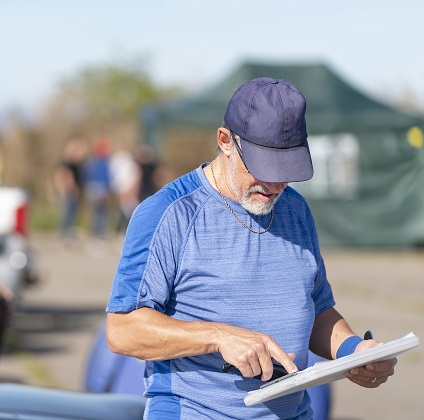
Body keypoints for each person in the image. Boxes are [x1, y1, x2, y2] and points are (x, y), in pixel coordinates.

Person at [106, 78, 396, 419]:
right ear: (226, 141)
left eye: (287, 171)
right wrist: (217, 337)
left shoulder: (297, 210)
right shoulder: (167, 213)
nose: (275, 185)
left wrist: (354, 350)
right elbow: (122, 330)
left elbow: (317, 310)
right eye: (264, 167)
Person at [54, 136, 87, 240]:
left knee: (71, 213)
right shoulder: (67, 163)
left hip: (72, 192)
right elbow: (64, 177)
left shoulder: (75, 164)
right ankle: (64, 234)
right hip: (69, 192)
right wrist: (67, 189)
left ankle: (67, 232)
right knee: (67, 213)